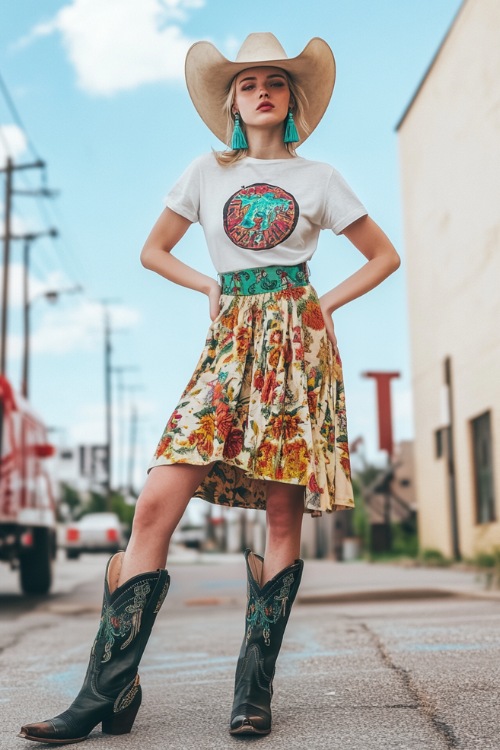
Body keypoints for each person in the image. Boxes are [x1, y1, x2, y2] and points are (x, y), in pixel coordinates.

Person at [18, 32, 400, 744]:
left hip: (295, 349)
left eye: (276, 83)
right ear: (230, 99)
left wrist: (326, 305)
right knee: (157, 500)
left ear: (291, 101)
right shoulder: (204, 172)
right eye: (249, 81)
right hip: (228, 348)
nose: (262, 90)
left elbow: (384, 255)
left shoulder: (320, 178)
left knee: (282, 519)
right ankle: (107, 690)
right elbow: (153, 250)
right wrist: (211, 286)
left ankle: (252, 693)